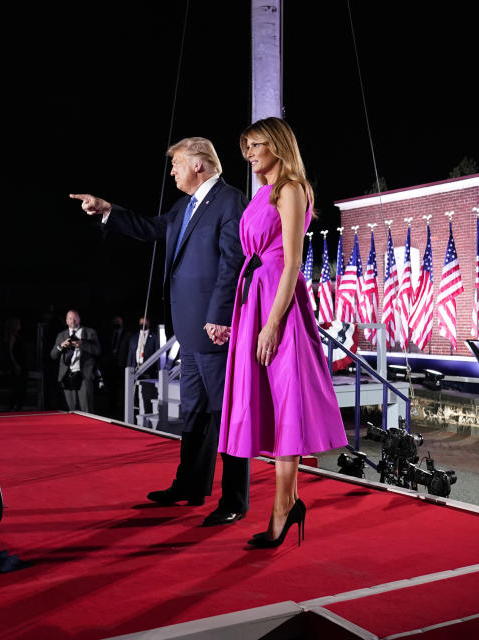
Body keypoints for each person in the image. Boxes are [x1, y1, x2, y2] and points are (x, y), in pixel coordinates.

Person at [71, 137, 250, 525]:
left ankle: (235, 499)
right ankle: (189, 484)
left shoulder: (230, 200)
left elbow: (232, 261)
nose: (172, 172)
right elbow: (152, 228)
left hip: (214, 328)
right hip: (187, 328)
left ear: (199, 164)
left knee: (226, 413)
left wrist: (220, 315)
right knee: (195, 413)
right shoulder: (184, 206)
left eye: (177, 164)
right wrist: (108, 210)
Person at [214, 118, 347, 548]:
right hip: (255, 298)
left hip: (280, 305)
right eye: (246, 147)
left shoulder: (292, 188)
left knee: (286, 400)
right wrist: (241, 323)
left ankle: (283, 506)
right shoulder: (262, 195)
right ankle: (286, 503)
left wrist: (272, 322)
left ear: (278, 145)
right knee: (267, 404)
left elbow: (291, 263)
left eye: (256, 145)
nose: (250, 153)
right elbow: (254, 260)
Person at [49, 310, 100, 412]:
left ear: (79, 319)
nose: (72, 321)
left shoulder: (90, 333)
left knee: (86, 409)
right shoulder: (61, 335)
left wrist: (82, 344)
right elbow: (53, 355)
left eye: (75, 318)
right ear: (66, 321)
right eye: (70, 318)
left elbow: (97, 351)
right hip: (67, 375)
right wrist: (61, 346)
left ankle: (89, 427)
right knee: (71, 409)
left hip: (84, 375)